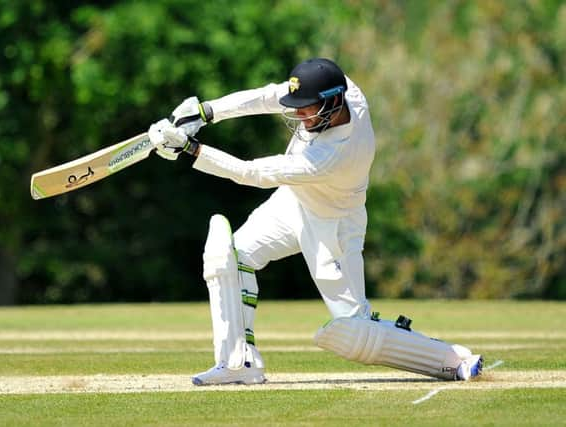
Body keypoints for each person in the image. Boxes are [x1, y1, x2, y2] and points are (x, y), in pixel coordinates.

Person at [148, 58, 483, 385]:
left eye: (309, 107)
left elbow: (252, 173)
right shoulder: (342, 89)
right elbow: (268, 97)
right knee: (231, 258)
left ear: (334, 101)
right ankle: (239, 363)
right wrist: (207, 111)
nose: (301, 115)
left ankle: (453, 361)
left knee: (354, 330)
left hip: (333, 227)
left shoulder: (333, 154)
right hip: (292, 202)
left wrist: (191, 149)